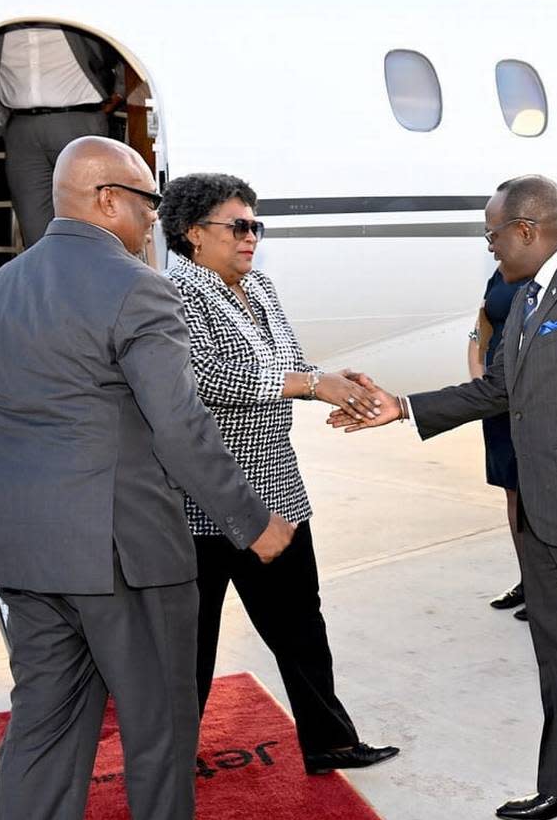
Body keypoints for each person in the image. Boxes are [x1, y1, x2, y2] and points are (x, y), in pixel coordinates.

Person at [0, 137, 296, 820]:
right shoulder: (136, 288)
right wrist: (251, 520)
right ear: (108, 200)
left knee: (41, 731)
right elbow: (180, 426)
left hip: (23, 547)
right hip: (121, 549)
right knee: (159, 715)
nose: (155, 221)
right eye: (150, 204)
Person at [329, 175, 557, 820]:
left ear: (526, 230)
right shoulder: (527, 297)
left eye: (492, 237)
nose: (490, 250)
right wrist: (402, 407)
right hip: (544, 511)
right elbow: (499, 388)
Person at [157, 172, 399, 775]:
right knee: (190, 643)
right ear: (192, 234)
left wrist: (336, 382)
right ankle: (168, 763)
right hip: (204, 503)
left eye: (255, 225)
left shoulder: (258, 287)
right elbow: (207, 378)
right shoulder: (172, 295)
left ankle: (329, 741)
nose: (251, 237)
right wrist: (314, 385)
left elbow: (288, 365)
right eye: (237, 226)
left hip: (276, 492)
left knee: (300, 625)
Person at [0, 25, 122, 247]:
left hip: (79, 122)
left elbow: (118, 37)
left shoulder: (76, 10)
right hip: (19, 128)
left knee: (92, 223)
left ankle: (92, 280)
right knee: (33, 227)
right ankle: (49, 281)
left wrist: (121, 89)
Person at [470, 267, 532, 621]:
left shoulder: (547, 272)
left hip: (531, 400)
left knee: (535, 492)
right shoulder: (501, 273)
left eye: (495, 233)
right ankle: (528, 581)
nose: (492, 243)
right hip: (496, 400)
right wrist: (479, 383)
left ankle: (549, 588)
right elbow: (482, 327)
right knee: (512, 490)